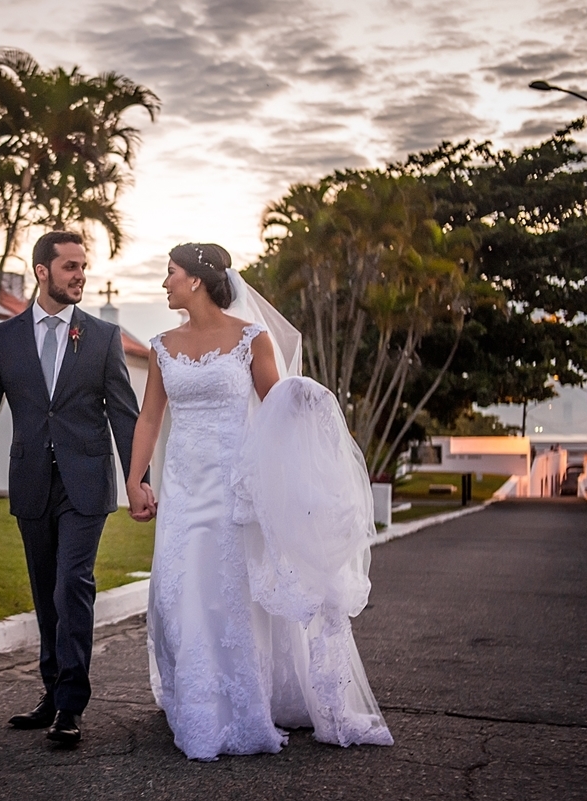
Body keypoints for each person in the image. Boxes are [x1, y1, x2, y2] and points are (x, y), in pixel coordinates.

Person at [125, 243, 394, 760]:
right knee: (180, 591)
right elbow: (150, 418)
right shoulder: (161, 346)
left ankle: (242, 704)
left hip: (233, 485)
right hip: (184, 487)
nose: (165, 283)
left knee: (231, 592)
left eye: (171, 274)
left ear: (197, 281)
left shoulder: (251, 338)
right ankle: (198, 700)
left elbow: (274, 405)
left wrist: (307, 401)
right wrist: (135, 479)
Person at [0, 230, 153, 745]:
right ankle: (51, 691)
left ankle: (70, 705)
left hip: (86, 483)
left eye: (83, 266)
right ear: (43, 271)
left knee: (72, 585)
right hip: (33, 481)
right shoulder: (5, 338)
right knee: (46, 594)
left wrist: (138, 479)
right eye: (70, 267)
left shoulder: (103, 337)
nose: (80, 274)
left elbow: (125, 416)